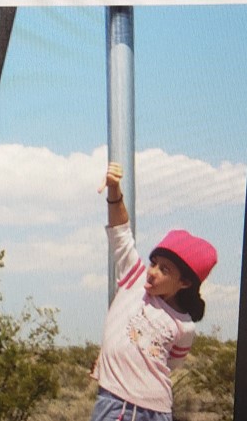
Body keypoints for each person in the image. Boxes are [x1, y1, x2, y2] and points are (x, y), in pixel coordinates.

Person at [90, 162, 217, 421]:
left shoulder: (184, 326)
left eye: (165, 270)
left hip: (157, 411)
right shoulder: (134, 278)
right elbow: (120, 233)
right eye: (154, 262)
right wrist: (114, 191)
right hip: (118, 405)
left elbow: (170, 365)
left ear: (184, 283)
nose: (152, 271)